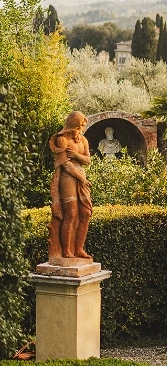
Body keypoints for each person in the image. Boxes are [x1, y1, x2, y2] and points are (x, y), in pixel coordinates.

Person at [48, 111, 93, 260]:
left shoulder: (84, 140)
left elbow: (87, 160)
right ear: (73, 124)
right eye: (80, 126)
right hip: (68, 178)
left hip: (81, 176)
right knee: (71, 214)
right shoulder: (62, 139)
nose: (82, 129)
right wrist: (81, 177)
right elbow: (65, 165)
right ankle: (66, 250)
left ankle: (79, 248)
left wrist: (75, 155)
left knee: (86, 213)